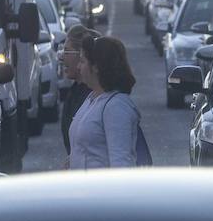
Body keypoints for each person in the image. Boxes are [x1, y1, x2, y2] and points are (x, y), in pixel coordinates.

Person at [68, 34, 149, 169]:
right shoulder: (92, 99)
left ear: (96, 67)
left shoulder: (116, 106)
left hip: (101, 190)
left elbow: (121, 163)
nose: (78, 67)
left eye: (82, 61)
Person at [58, 24, 99, 152]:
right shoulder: (75, 91)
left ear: (82, 55)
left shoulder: (97, 96)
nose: (61, 57)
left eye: (67, 51)